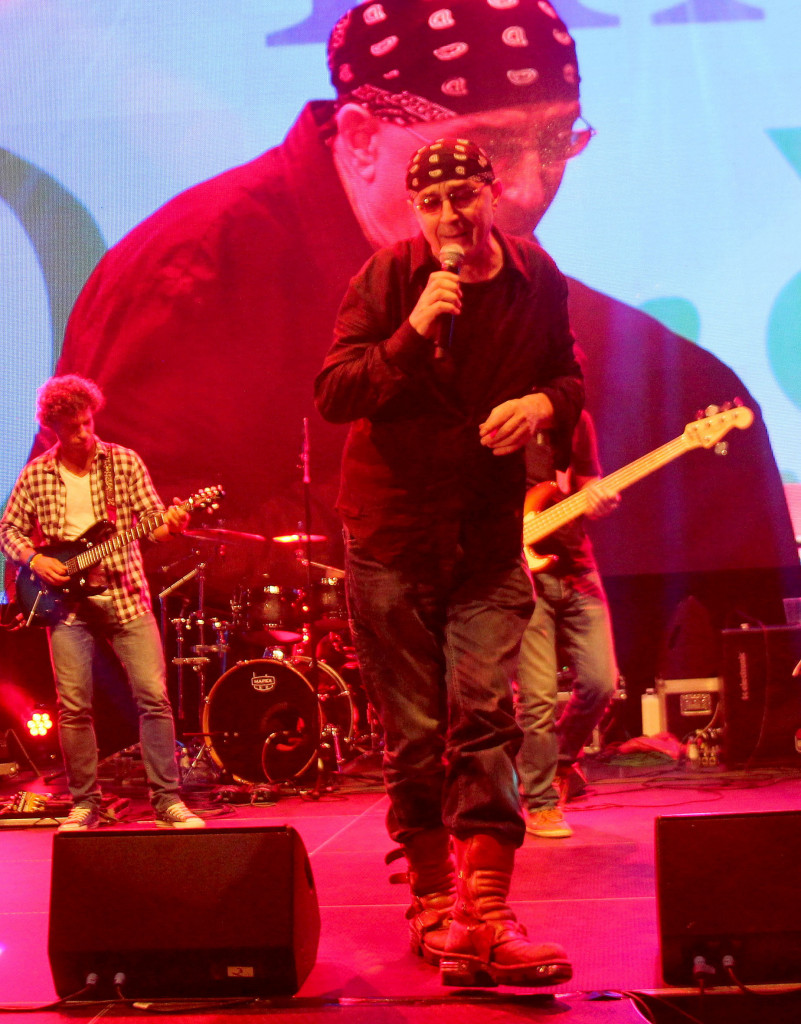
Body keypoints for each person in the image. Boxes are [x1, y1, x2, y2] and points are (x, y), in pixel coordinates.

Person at [49, 0, 796, 702]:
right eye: (489, 150)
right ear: (363, 140)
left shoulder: (666, 377)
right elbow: (96, 538)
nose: (526, 189)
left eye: (554, 142)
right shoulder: (194, 280)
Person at [315, 136, 583, 987]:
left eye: (461, 196)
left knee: (486, 714)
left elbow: (568, 377)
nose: (447, 217)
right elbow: (335, 392)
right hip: (390, 534)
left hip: (484, 535)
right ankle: (434, 900)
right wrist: (412, 331)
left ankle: (488, 912)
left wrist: (542, 405)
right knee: (415, 734)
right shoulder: (389, 278)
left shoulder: (536, 278)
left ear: (491, 193)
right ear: (414, 210)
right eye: (430, 203)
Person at [0, 375, 205, 832]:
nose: (83, 433)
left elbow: (153, 524)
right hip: (68, 607)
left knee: (154, 699)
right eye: (72, 427)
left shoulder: (123, 463)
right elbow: (8, 529)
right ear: (53, 427)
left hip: (126, 597)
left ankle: (168, 801)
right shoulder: (38, 474)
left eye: (88, 422)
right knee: (73, 707)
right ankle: (84, 804)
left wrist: (171, 525)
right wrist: (35, 559)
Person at [516, 409, 619, 839]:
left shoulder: (576, 419)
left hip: (577, 564)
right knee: (537, 697)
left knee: (602, 682)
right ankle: (540, 801)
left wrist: (599, 496)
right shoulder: (496, 415)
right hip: (521, 570)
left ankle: (558, 761)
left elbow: (587, 481)